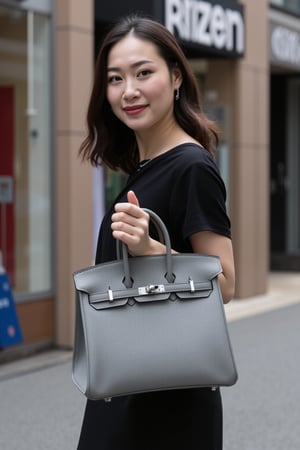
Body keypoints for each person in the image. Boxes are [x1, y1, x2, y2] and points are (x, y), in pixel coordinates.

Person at [77, 14, 235, 450]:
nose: (128, 90)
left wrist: (151, 248)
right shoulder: (143, 168)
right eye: (115, 78)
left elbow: (224, 283)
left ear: (177, 76)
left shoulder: (191, 166)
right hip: (127, 377)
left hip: (167, 396)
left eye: (143, 73)